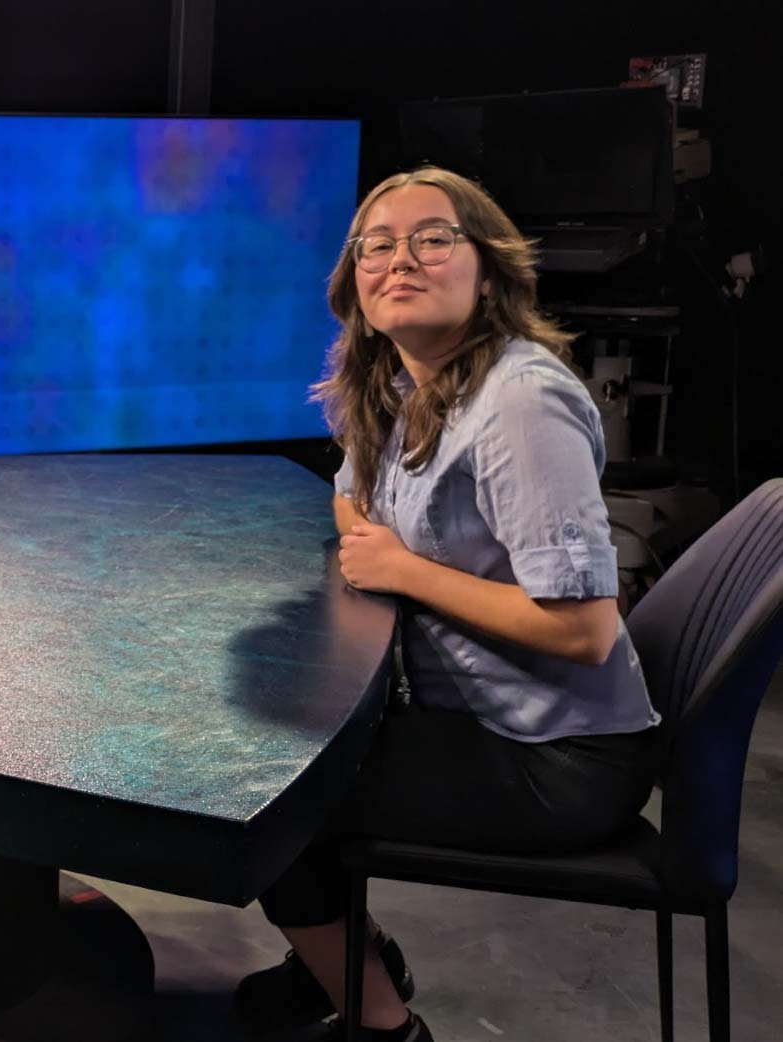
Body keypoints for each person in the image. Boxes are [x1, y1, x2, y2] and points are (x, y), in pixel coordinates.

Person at [235, 167, 662, 1042]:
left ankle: (383, 1024)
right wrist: (377, 548)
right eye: (376, 245)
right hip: (494, 722)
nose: (401, 260)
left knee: (271, 802)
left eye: (432, 238)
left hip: (557, 761)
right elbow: (351, 501)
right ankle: (349, 956)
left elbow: (582, 629)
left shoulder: (519, 400)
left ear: (488, 269)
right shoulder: (402, 380)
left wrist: (405, 569)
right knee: (285, 758)